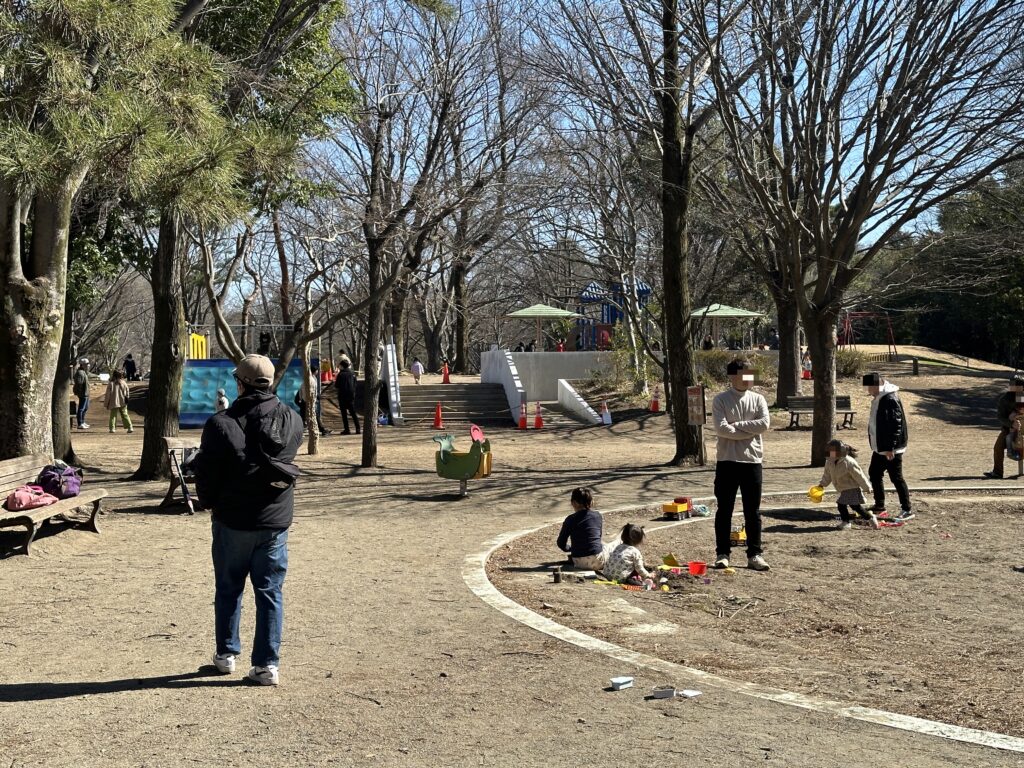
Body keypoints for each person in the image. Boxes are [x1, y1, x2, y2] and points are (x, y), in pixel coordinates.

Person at [192, 354, 304, 687]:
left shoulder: (220, 423)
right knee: (270, 591)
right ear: (271, 383)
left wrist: (209, 502)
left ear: (239, 383)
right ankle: (267, 664)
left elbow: (206, 472)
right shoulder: (293, 421)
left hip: (232, 520)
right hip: (274, 521)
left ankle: (226, 655)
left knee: (228, 587)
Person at [712, 359, 771, 571]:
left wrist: (738, 426)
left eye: (751, 374)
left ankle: (754, 554)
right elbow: (721, 429)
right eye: (745, 374)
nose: (749, 379)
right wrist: (748, 430)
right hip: (727, 461)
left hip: (752, 461)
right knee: (724, 510)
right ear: (732, 376)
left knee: (752, 511)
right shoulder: (720, 400)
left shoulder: (758, 399)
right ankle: (722, 553)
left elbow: (764, 424)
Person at [864, 372, 912, 520]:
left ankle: (907, 509)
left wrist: (890, 448)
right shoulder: (880, 398)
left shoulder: (890, 398)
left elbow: (895, 425)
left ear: (876, 385)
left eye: (869, 387)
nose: (867, 390)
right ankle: (879, 505)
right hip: (881, 446)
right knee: (874, 473)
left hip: (890, 448)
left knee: (896, 478)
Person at [817, 439, 879, 530]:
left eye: (833, 452)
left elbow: (859, 475)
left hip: (851, 488)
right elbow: (827, 474)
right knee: (856, 507)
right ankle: (870, 517)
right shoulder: (829, 462)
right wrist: (822, 484)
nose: (831, 454)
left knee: (841, 504)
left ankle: (846, 522)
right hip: (843, 488)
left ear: (840, 452)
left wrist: (866, 487)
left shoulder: (849, 462)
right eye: (829, 452)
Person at [555, 487, 606, 571]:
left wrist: (570, 548)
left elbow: (561, 543)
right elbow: (598, 537)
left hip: (578, 562)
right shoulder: (597, 516)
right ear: (591, 502)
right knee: (606, 545)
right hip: (598, 561)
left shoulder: (570, 519)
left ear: (573, 503)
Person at [983, 375, 1024, 479]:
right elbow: (1001, 417)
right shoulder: (1005, 399)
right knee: (998, 447)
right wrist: (1011, 423)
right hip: (1008, 429)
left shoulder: (1022, 397)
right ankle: (997, 472)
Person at [334, 355, 360, 435]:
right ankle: (358, 428)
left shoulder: (341, 375)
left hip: (342, 396)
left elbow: (336, 385)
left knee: (344, 414)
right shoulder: (352, 374)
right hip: (351, 395)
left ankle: (347, 429)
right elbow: (355, 384)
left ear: (342, 366)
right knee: (353, 413)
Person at [73, 358, 91, 429]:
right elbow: (79, 384)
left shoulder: (84, 372)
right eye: (86, 364)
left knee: (85, 408)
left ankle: (83, 422)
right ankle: (80, 423)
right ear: (82, 365)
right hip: (83, 393)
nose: (88, 365)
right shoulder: (80, 373)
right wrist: (80, 392)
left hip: (86, 393)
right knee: (81, 408)